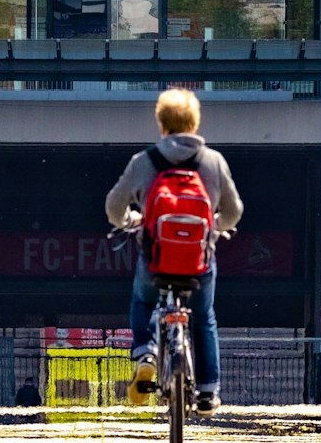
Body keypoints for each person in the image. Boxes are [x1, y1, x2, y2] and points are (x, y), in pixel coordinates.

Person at [105, 88, 244, 414]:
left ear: (161, 123)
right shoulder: (213, 161)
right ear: (194, 123)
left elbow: (113, 208)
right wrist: (217, 226)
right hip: (199, 260)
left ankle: (146, 354)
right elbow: (234, 210)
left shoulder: (143, 161)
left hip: (156, 261)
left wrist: (131, 220)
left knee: (143, 300)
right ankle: (208, 391)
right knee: (204, 318)